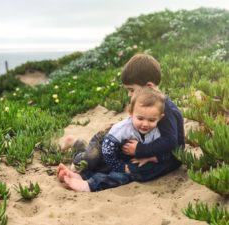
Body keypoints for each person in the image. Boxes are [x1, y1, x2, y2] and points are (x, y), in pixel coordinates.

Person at [57, 53, 184, 192]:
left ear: (149, 86)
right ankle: (84, 173)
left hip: (167, 158)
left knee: (132, 171)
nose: (129, 94)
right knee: (113, 160)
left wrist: (142, 151)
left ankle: (90, 183)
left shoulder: (167, 109)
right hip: (150, 150)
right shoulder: (149, 106)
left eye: (131, 90)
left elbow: (171, 142)